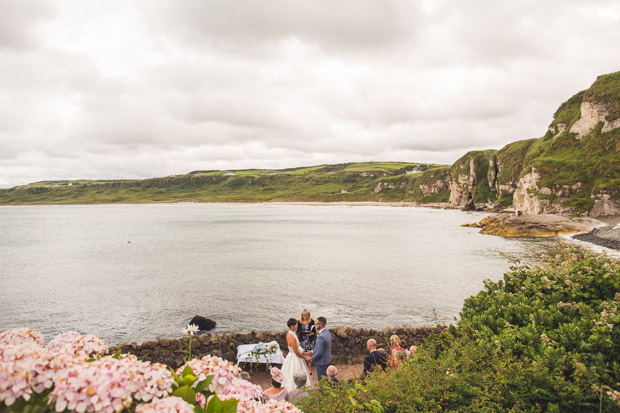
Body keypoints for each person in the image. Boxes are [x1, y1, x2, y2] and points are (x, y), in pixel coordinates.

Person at [281, 317, 313, 392]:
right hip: (294, 357)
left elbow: (298, 348)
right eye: (296, 325)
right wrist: (305, 357)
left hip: (294, 355)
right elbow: (296, 352)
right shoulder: (291, 336)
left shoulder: (292, 334)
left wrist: (305, 353)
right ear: (291, 326)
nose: (297, 326)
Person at [310, 316, 332, 384]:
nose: (316, 325)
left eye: (317, 324)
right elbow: (321, 347)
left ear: (321, 324)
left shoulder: (321, 337)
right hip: (327, 359)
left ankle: (323, 393)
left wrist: (311, 359)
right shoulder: (327, 333)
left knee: (322, 381)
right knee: (327, 379)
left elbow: (320, 352)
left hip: (321, 362)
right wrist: (312, 351)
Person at [297, 309, 316, 373]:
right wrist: (301, 333)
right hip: (302, 341)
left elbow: (314, 332)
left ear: (308, 315)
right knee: (302, 354)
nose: (305, 316)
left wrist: (310, 334)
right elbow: (297, 332)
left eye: (306, 315)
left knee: (309, 354)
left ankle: (309, 368)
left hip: (309, 341)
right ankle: (302, 368)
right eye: (304, 315)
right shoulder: (299, 322)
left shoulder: (312, 321)